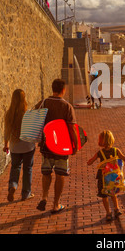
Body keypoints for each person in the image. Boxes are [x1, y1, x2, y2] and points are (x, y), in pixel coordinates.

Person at [35, 79, 77, 213]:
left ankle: (44, 197)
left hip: (46, 144)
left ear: (52, 88)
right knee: (60, 174)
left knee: (46, 172)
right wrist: (74, 144)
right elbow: (72, 128)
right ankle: (56, 204)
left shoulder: (43, 103)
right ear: (63, 90)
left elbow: (35, 117)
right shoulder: (67, 106)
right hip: (61, 145)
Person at [87, 130, 125, 222]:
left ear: (101, 141)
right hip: (113, 177)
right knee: (113, 193)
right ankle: (116, 209)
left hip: (103, 177)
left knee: (104, 196)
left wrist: (89, 162)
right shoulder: (116, 150)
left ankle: (108, 213)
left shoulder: (100, 153)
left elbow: (91, 162)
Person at [3, 89, 36, 202]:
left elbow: (6, 131)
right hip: (28, 146)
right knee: (27, 169)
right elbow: (33, 131)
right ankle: (26, 193)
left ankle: (13, 185)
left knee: (15, 167)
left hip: (15, 146)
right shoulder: (28, 114)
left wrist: (6, 144)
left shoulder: (9, 114)